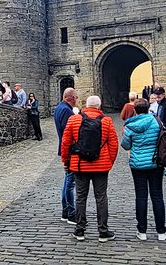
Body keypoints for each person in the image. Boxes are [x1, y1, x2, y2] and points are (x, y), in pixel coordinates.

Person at [61, 95, 118, 243]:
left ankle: (80, 230)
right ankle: (103, 231)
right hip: (101, 166)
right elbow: (113, 145)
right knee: (101, 197)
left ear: (86, 105)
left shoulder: (74, 120)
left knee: (80, 197)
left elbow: (65, 143)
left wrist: (66, 162)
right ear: (99, 106)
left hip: (80, 165)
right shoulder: (106, 121)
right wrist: (108, 161)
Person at [121, 98, 166, 241]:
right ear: (148, 108)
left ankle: (142, 231)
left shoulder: (130, 125)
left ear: (135, 109)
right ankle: (161, 231)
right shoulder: (156, 122)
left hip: (138, 164)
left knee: (141, 197)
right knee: (157, 196)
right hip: (155, 163)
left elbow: (126, 145)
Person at [54, 87, 77, 224]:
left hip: (65, 149)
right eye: (76, 97)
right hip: (69, 150)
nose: (77, 100)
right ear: (71, 98)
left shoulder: (59, 108)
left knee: (67, 182)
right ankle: (70, 213)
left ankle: (65, 211)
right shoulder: (66, 111)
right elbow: (69, 134)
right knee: (70, 183)